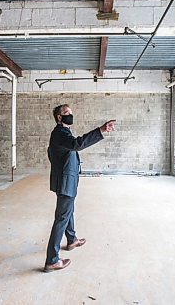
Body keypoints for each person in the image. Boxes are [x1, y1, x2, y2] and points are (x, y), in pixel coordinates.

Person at [44, 104, 115, 273]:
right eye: (66, 113)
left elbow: (56, 153)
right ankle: (52, 260)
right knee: (61, 218)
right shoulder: (60, 133)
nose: (71, 115)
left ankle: (71, 239)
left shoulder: (62, 133)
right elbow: (77, 144)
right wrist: (100, 130)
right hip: (65, 182)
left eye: (71, 112)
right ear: (59, 118)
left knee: (68, 211)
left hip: (66, 180)